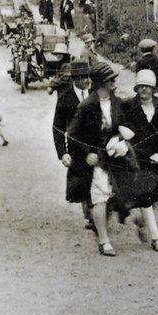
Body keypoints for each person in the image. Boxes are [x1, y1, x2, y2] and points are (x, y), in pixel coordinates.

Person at [66, 62, 127, 257]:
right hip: (98, 158)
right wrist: (86, 153)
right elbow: (72, 134)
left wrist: (122, 141)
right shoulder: (87, 105)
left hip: (116, 157)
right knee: (100, 196)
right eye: (111, 81)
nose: (115, 84)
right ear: (102, 83)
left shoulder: (117, 102)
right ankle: (104, 241)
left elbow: (124, 126)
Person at [119, 69, 158, 253]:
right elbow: (121, 128)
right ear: (137, 88)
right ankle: (156, 237)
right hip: (137, 158)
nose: (144, 89)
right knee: (146, 194)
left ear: (153, 88)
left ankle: (143, 220)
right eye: (141, 86)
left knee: (157, 195)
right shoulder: (128, 105)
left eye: (148, 86)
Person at [54, 60, 95, 229]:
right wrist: (63, 153)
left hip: (95, 145)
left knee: (98, 179)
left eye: (87, 76)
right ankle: (90, 215)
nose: (86, 80)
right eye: (82, 77)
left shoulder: (95, 92)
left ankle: (96, 213)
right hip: (76, 148)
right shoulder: (65, 98)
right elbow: (57, 127)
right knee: (83, 181)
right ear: (74, 79)